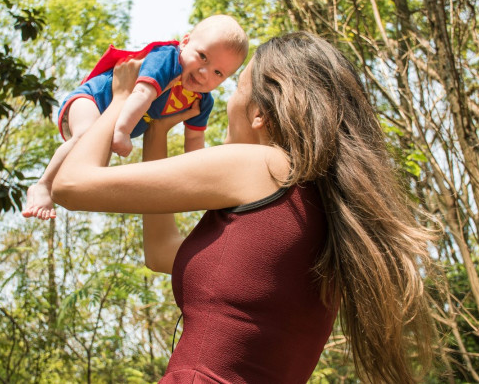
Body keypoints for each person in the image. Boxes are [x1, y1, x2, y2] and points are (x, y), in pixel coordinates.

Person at [51, 32, 435, 383]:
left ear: (259, 113)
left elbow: (71, 185)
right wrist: (158, 130)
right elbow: (162, 252)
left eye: (236, 87)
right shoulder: (319, 206)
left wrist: (120, 98)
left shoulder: (264, 166)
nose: (226, 99)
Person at [22, 14, 248, 220]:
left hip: (112, 121)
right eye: (202, 57)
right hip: (93, 99)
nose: (204, 73)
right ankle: (43, 184)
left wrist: (202, 179)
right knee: (84, 136)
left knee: (93, 167)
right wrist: (122, 131)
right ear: (185, 42)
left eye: (218, 72)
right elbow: (141, 93)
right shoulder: (167, 60)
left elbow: (195, 142)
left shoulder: (201, 101)